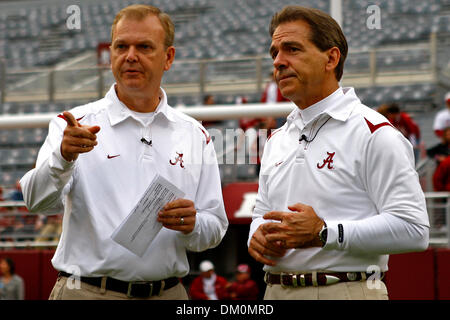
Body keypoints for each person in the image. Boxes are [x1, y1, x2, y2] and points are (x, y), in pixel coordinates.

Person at [20, 4, 228, 300]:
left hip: (169, 293)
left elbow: (216, 226)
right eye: (121, 46)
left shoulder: (195, 134)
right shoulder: (75, 124)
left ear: (168, 57)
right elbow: (35, 202)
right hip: (87, 292)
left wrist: (193, 223)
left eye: (144, 46)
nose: (131, 56)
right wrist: (62, 158)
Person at [247, 6, 429, 300]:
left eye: (292, 49)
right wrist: (256, 237)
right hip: (273, 290)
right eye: (275, 53)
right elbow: (260, 213)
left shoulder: (374, 133)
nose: (278, 62)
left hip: (344, 289)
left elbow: (414, 229)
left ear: (331, 58)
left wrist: (325, 232)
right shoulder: (277, 139)